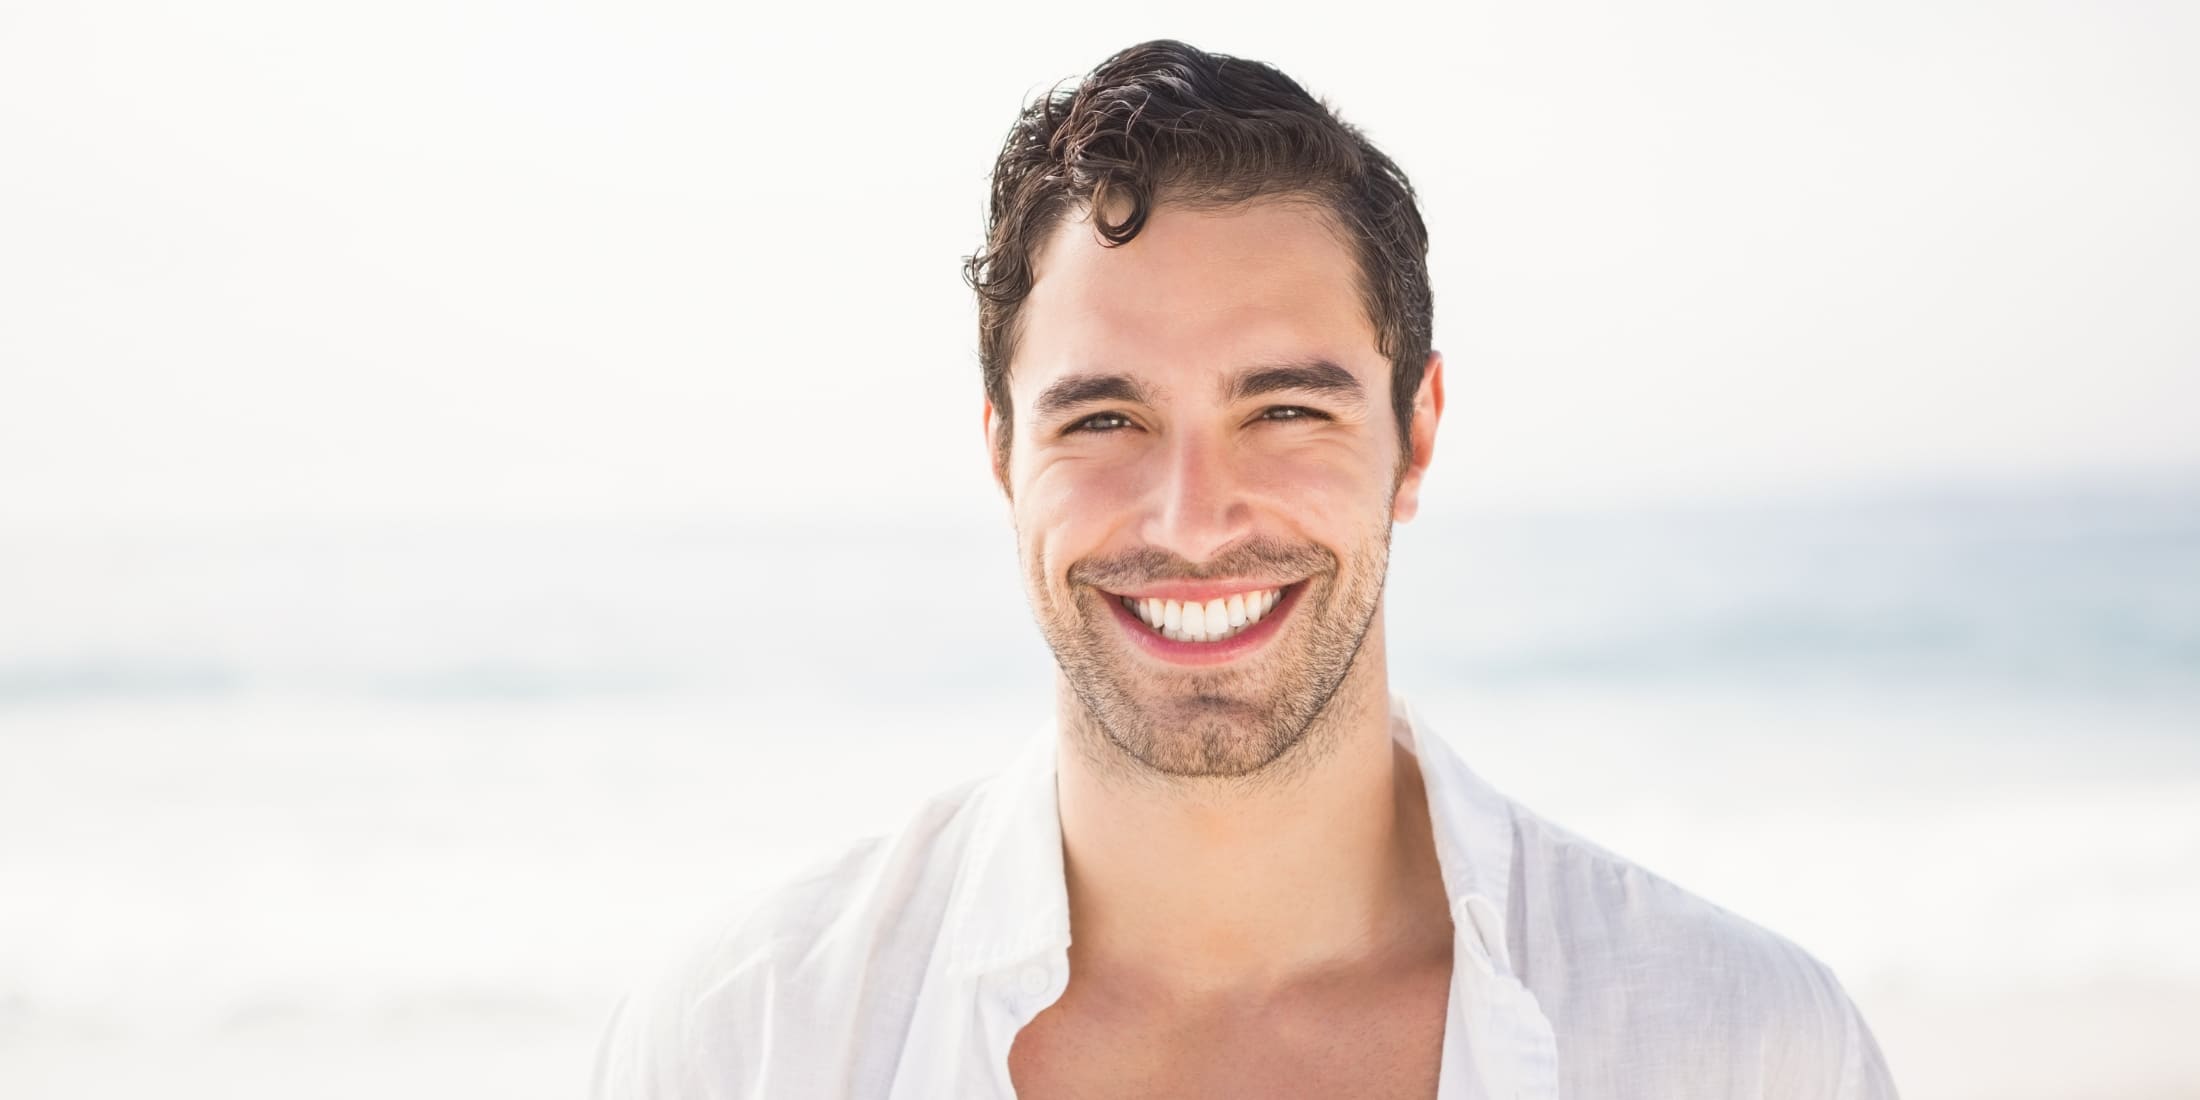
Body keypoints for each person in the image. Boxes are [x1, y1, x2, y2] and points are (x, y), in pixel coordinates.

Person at [594, 38, 1899, 1099]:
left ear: (1416, 434)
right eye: (1105, 418)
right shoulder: (746, 1046)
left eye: (1285, 410)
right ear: (1003, 455)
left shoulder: (1743, 1053)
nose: (1195, 516)